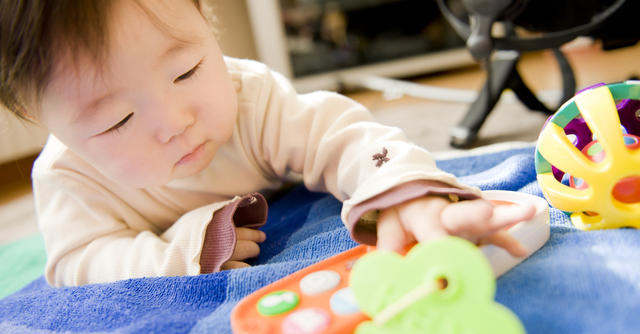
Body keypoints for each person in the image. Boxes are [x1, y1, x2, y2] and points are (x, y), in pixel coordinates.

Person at [0, 0, 535, 287]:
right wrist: (182, 249)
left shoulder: (249, 98)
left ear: (206, 21)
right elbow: (77, 263)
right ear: (41, 119)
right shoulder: (68, 178)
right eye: (116, 120)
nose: (175, 121)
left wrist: (403, 191)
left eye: (186, 71)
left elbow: (343, 137)